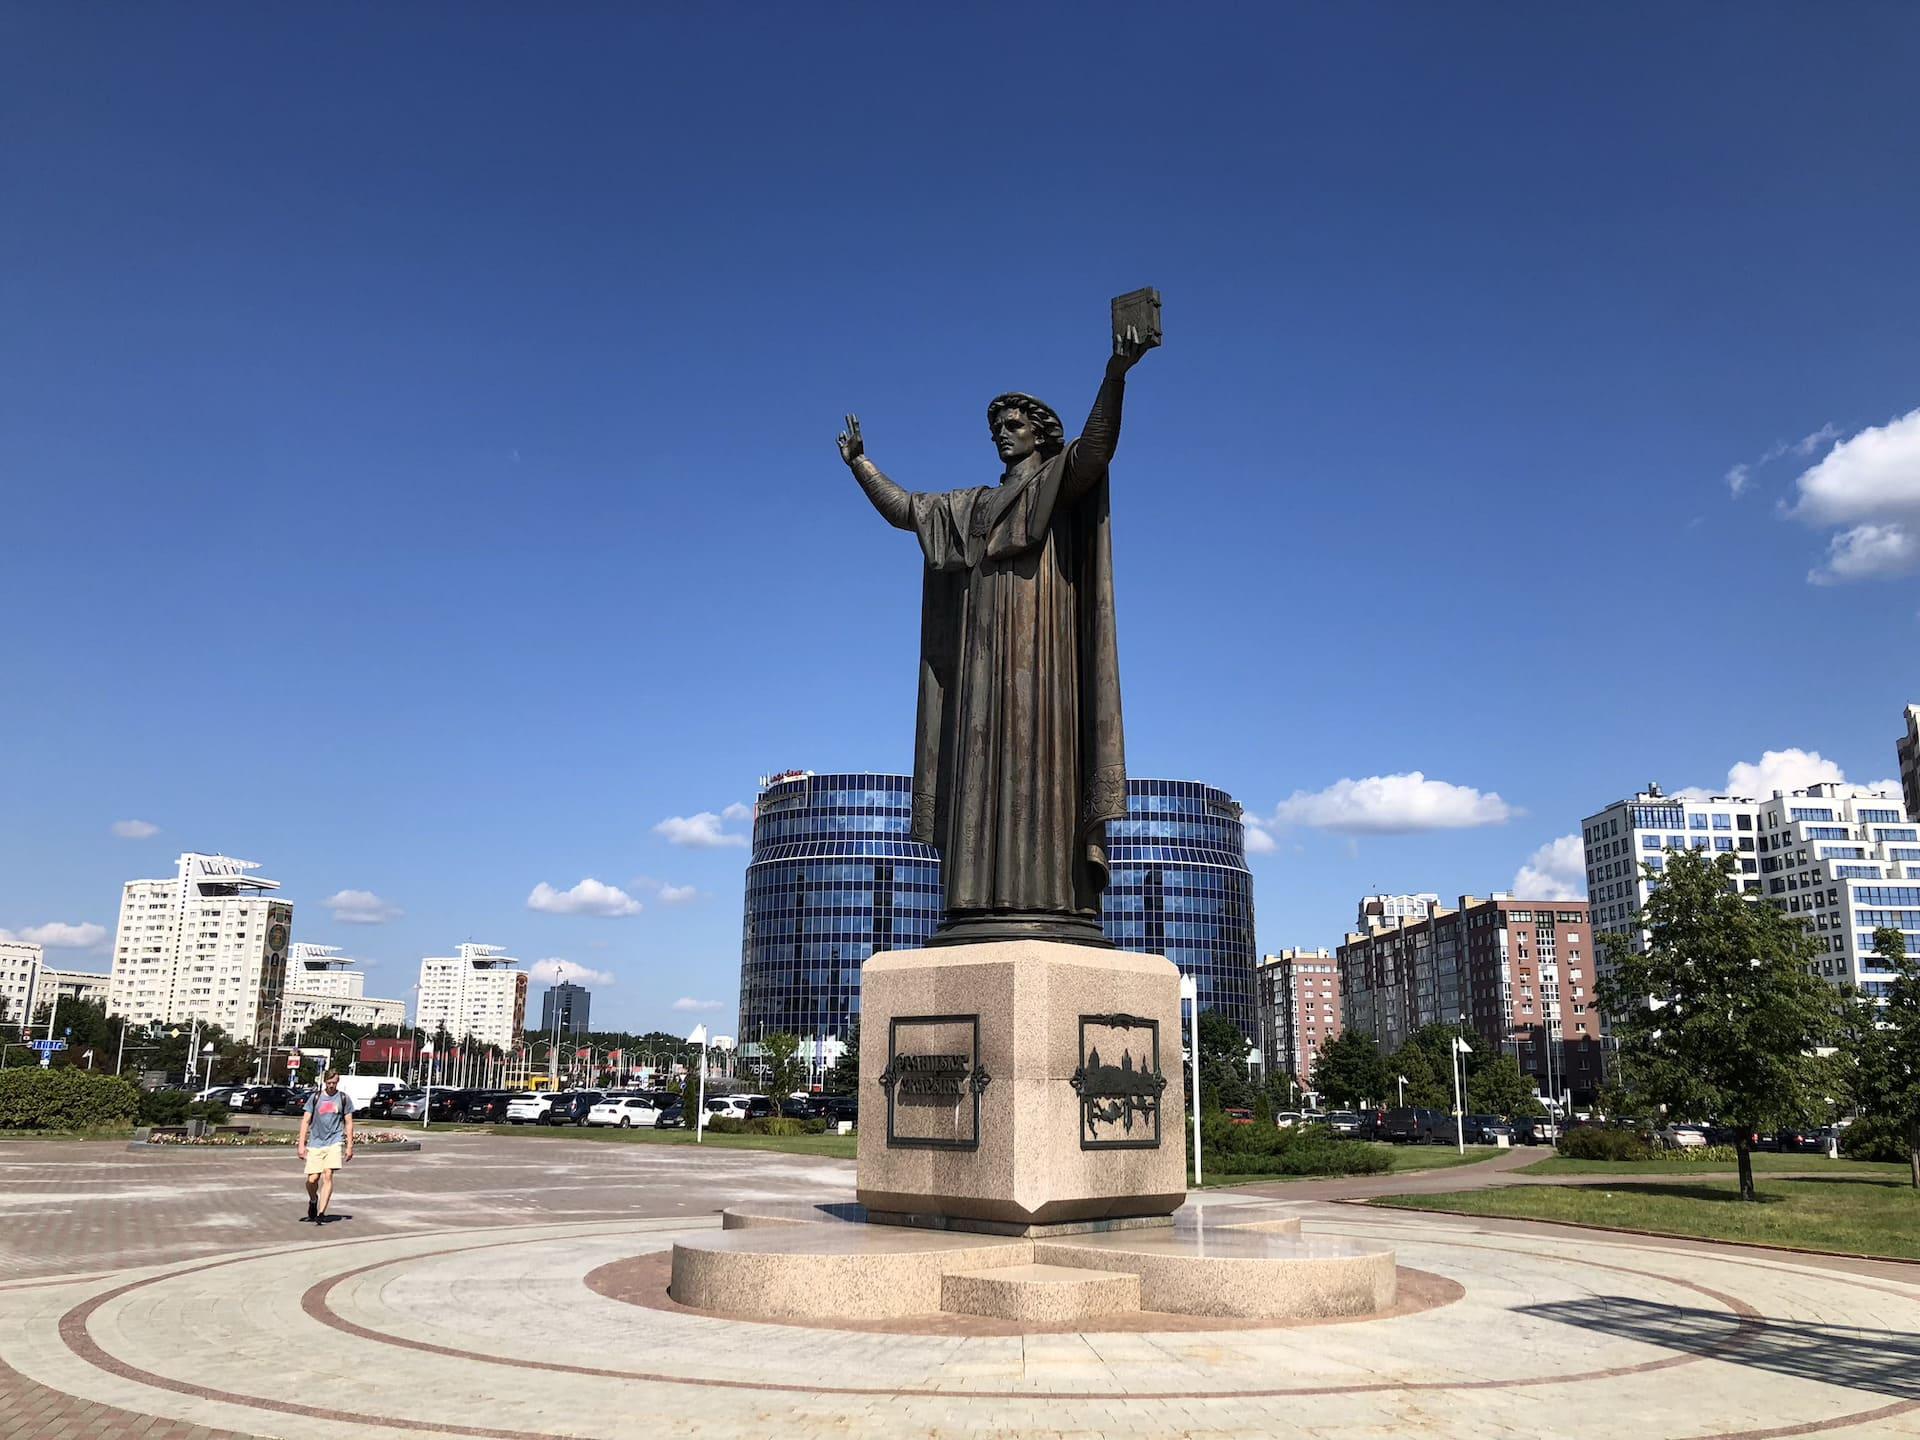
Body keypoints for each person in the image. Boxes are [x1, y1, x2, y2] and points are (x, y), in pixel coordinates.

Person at [836, 323, 1153, 944]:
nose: (1003, 434)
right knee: (979, 764)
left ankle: (1053, 896)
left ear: (1039, 433)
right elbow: (907, 511)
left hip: (1044, 648)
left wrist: (1116, 375)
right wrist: (861, 466)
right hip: (981, 658)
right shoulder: (972, 506)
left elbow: (1096, 449)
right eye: (997, 427)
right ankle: (977, 898)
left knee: (1042, 761)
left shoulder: (1057, 482)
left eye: (1014, 425)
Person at [297, 1069, 355, 1223]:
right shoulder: (315, 1098)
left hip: (334, 1141)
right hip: (316, 1142)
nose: (331, 1086)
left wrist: (349, 1145)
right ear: (324, 1082)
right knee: (312, 1180)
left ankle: (321, 1212)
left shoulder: (343, 1099)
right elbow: (305, 1121)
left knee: (328, 1174)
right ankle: (313, 1201)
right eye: (329, 1083)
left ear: (338, 1082)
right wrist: (301, 1145)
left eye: (334, 1083)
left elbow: (348, 1123)